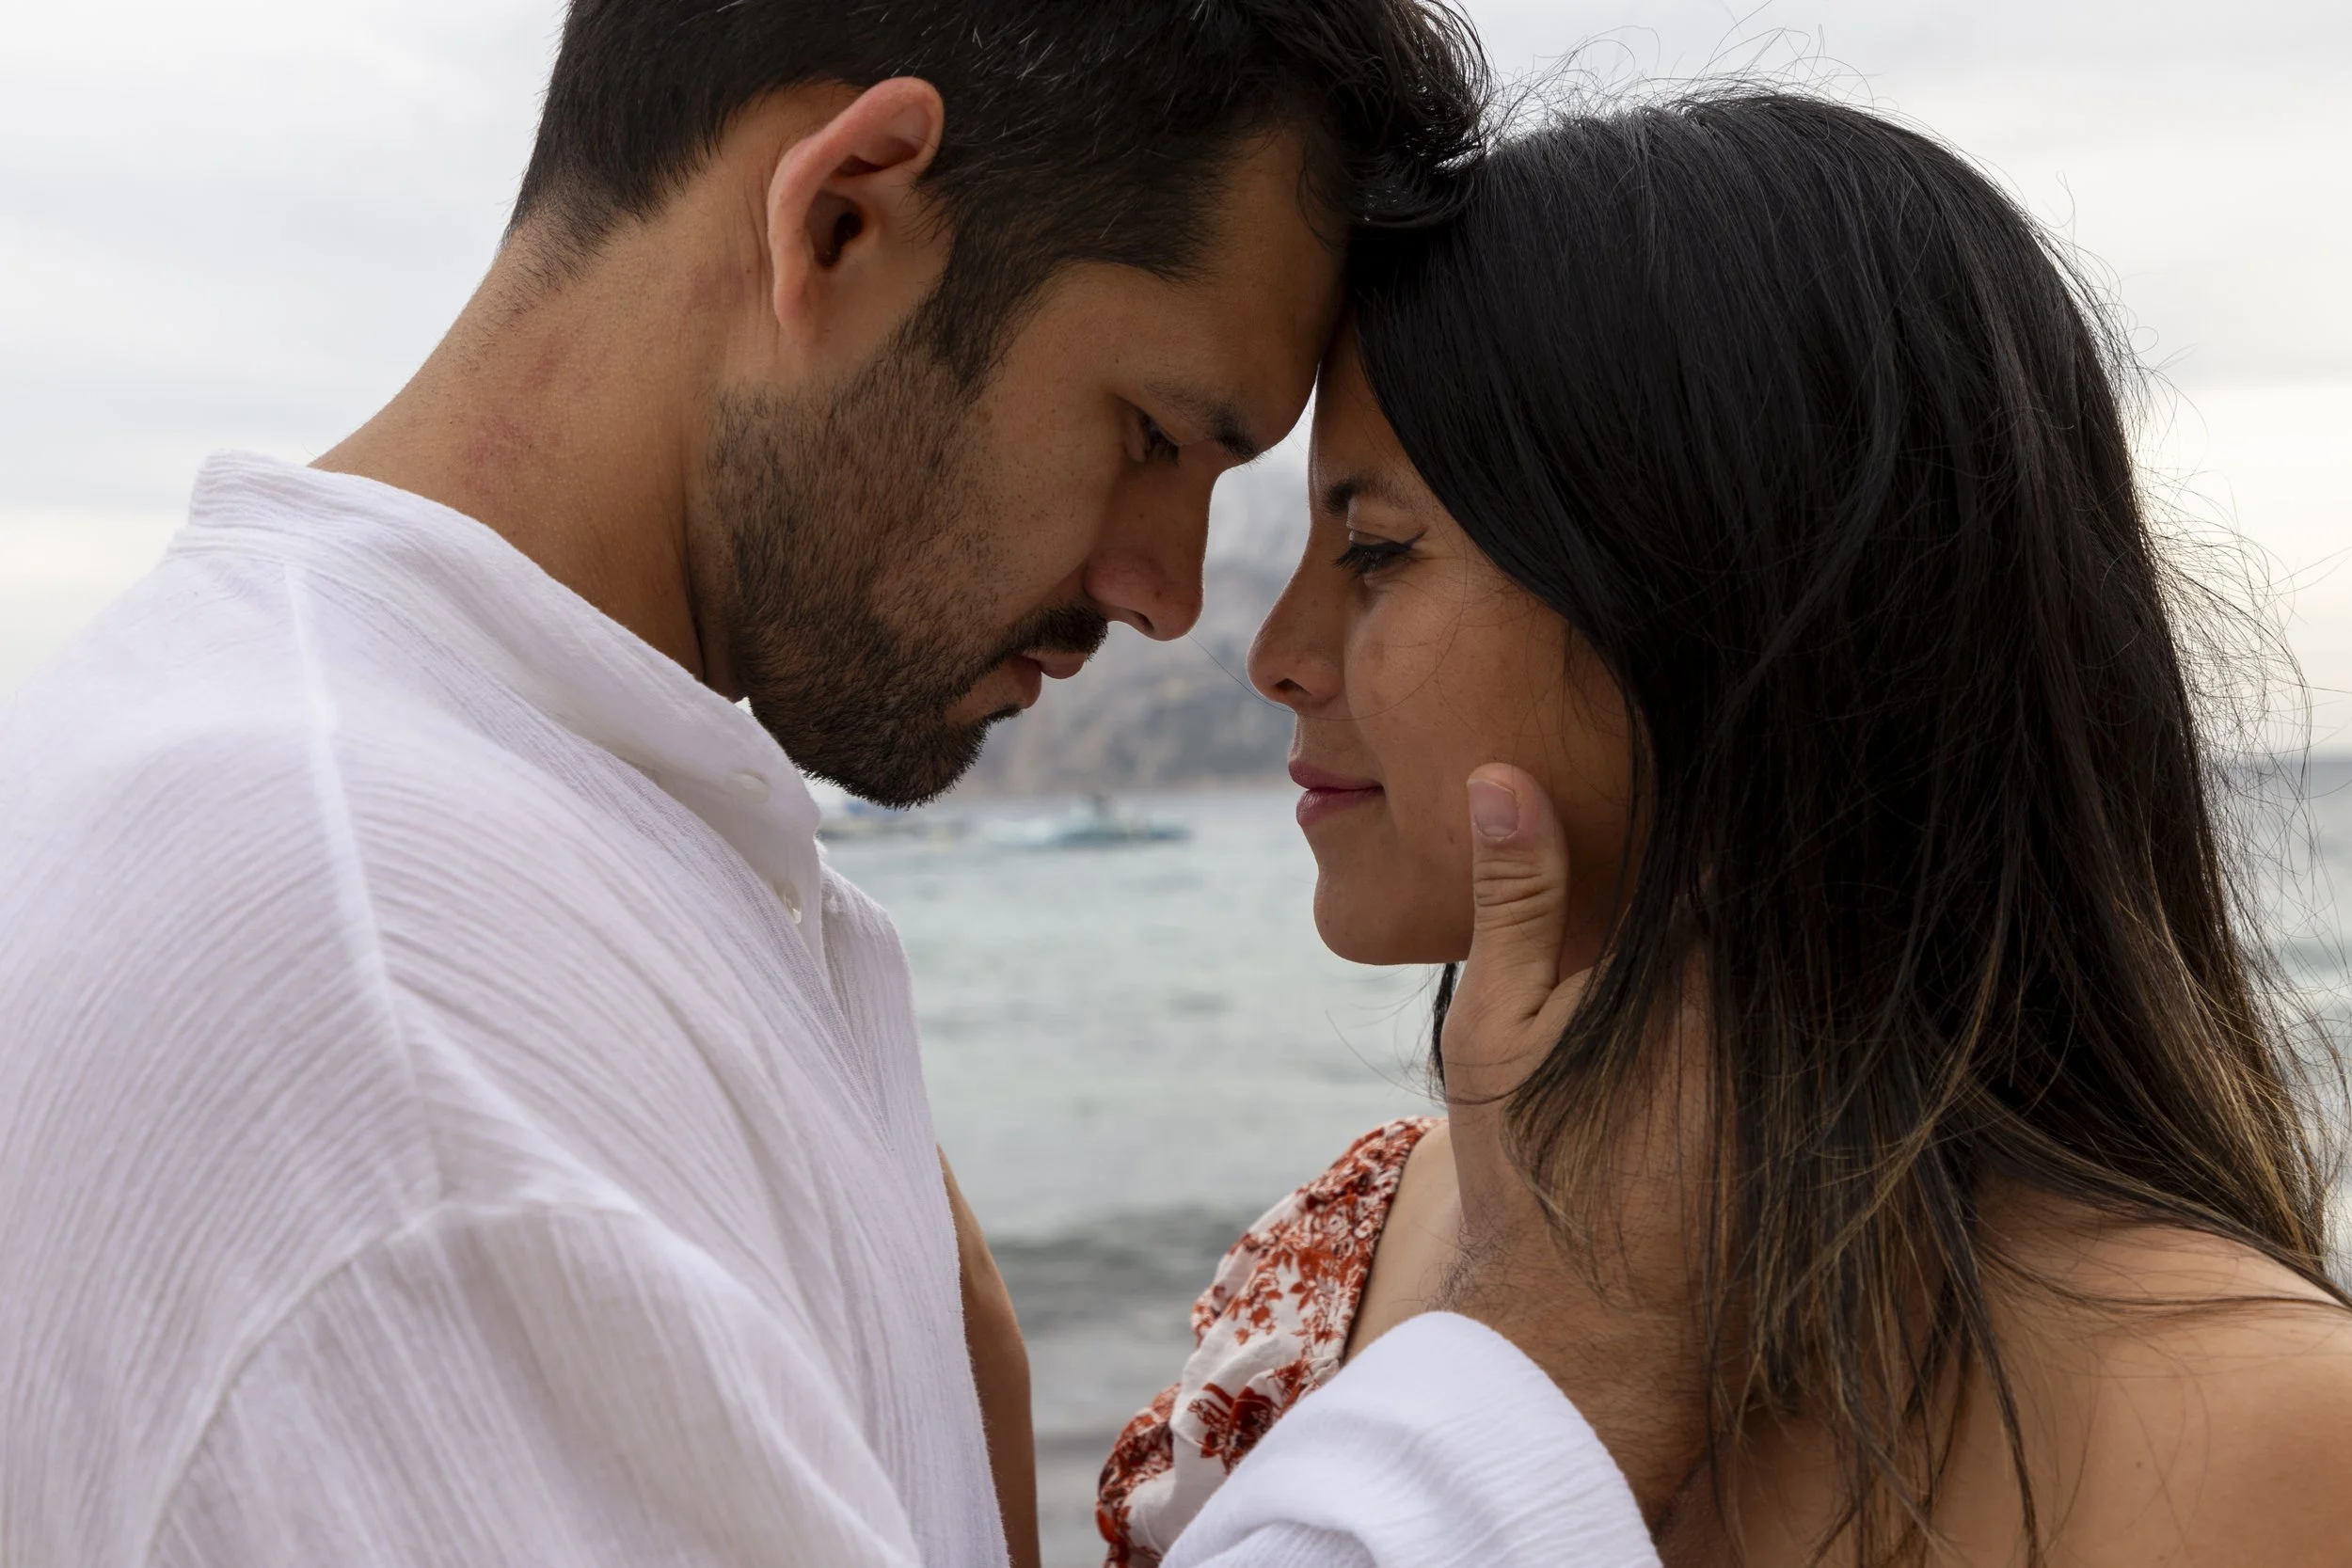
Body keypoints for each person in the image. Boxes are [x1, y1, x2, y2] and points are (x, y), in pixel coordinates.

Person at [0, 5, 1694, 1567]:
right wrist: (1549, 1366)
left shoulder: (503, 836)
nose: (1176, 594)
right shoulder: (401, 1013)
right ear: (843, 219)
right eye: (1154, 434)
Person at [1101, 90, 2352, 1566]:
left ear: (1711, 607)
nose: (1277, 652)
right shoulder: (1348, 1248)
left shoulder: (2270, 1440)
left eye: (1374, 549)